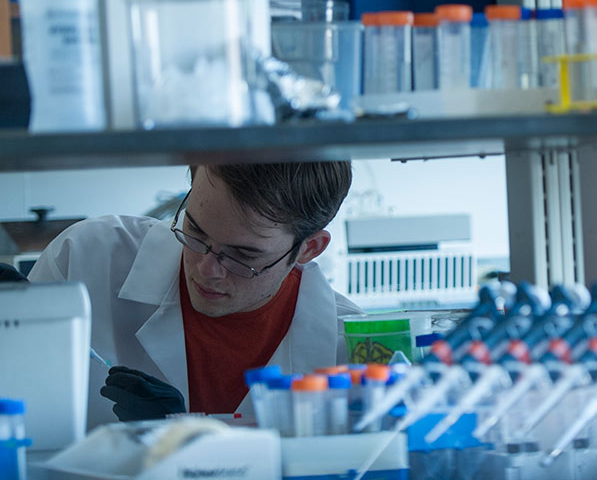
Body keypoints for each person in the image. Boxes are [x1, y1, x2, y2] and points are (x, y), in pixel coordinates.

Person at [28, 161, 360, 428]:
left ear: (309, 249)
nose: (206, 269)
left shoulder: (351, 350)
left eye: (243, 255)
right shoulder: (85, 260)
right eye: (195, 230)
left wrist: (176, 437)